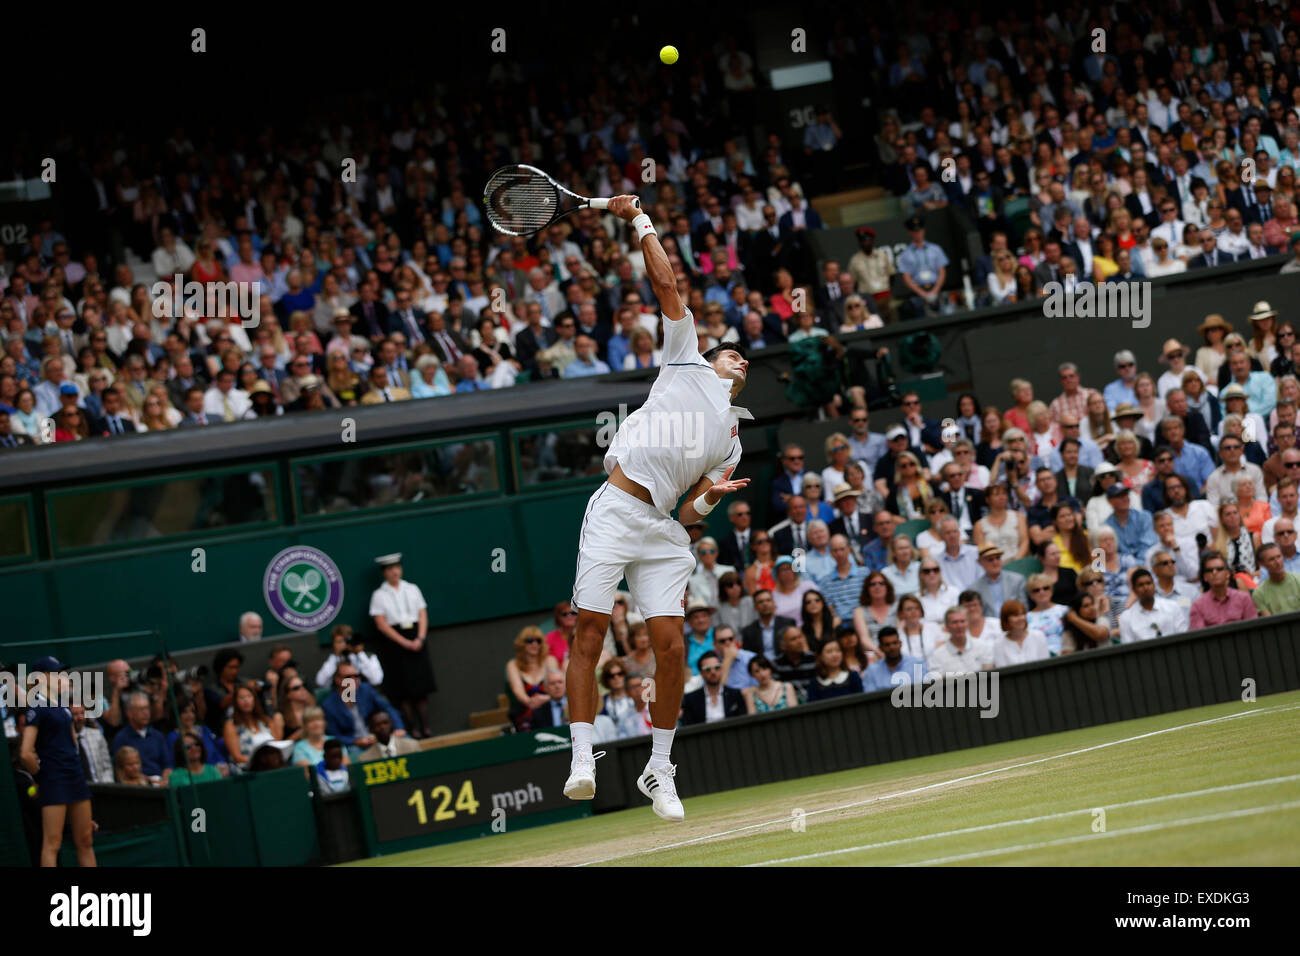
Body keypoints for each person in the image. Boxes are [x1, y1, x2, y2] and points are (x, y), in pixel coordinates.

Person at [564, 195, 753, 822]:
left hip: (665, 530)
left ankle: (660, 767)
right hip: (616, 510)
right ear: (710, 356)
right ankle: (583, 754)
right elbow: (666, 281)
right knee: (589, 631)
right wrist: (638, 219)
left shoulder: (733, 440)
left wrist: (708, 497)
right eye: (732, 353)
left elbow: (694, 518)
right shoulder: (685, 359)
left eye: (744, 359)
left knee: (671, 648)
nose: (740, 359)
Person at [19, 658, 96, 867]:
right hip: (54, 780)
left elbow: (72, 744)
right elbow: (25, 753)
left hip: (75, 777)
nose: (63, 677)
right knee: (52, 843)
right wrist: (42, 776)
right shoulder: (37, 708)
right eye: (57, 673)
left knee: (86, 839)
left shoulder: (63, 706)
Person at [369, 553, 435, 739]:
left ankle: (426, 727)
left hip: (416, 637)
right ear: (384, 572)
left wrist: (420, 638)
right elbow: (381, 623)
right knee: (402, 689)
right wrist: (404, 642)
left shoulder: (412, 589)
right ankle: (411, 728)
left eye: (397, 567)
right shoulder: (379, 595)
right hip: (396, 642)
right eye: (390, 569)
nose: (394, 572)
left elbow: (422, 614)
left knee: (421, 685)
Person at [111, 691, 173, 783]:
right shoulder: (121, 738)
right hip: (137, 786)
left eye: (147, 708)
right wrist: (150, 782)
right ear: (129, 713)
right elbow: (121, 770)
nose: (146, 713)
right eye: (141, 709)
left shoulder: (158, 736)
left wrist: (165, 778)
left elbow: (168, 764)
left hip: (161, 783)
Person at [223, 681, 283, 773]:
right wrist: (259, 762)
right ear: (235, 701)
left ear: (254, 699)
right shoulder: (231, 725)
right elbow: (237, 757)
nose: (246, 701)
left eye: (249, 696)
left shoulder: (265, 720)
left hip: (271, 767)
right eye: (242, 697)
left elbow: (277, 743)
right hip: (248, 770)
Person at [1189, 551, 1259, 629]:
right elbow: (1199, 637)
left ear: (1228, 574)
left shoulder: (1243, 599)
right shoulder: (1198, 606)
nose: (1214, 572)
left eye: (1219, 569)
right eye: (1210, 570)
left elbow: (1254, 630)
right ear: (1205, 576)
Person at [506, 626, 558, 732]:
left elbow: (558, 685)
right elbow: (517, 689)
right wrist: (530, 702)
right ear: (522, 644)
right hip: (525, 712)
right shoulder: (513, 665)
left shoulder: (550, 660)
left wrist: (546, 698)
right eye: (530, 640)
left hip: (550, 709)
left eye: (538, 641)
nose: (534, 644)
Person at [1118, 568, 1184, 643]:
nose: (1146, 588)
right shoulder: (1126, 618)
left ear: (1154, 585)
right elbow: (1128, 647)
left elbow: (1182, 636)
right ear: (1134, 589)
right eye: (1140, 585)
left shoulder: (1172, 607)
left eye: (1148, 583)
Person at [680, 651, 746, 724]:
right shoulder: (690, 699)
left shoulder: (735, 695)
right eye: (708, 669)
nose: (713, 672)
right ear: (701, 673)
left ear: (721, 669)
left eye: (717, 667)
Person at [928, 606, 994, 673]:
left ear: (968, 623)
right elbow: (938, 681)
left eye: (962, 621)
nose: (959, 626)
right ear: (947, 626)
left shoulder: (983, 646)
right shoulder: (937, 655)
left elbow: (990, 677)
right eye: (954, 622)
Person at [971, 543, 1028, 617]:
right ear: (981, 562)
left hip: (1014, 623)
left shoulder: (1017, 580)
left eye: (997, 558)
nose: (995, 562)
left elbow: (1024, 607)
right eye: (990, 560)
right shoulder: (974, 588)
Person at [861, 627, 927, 691]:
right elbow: (870, 698)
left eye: (895, 643)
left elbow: (924, 693)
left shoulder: (918, 665)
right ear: (880, 647)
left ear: (900, 643)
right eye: (887, 645)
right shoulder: (872, 671)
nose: (892, 647)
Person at [994, 600, 1050, 667]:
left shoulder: (1038, 636)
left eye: (1022, 614)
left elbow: (1046, 665)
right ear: (1006, 619)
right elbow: (1001, 672)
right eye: (1016, 615)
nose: (1021, 618)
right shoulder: (999, 643)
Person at [1252, 543, 1300, 616]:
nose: (1277, 562)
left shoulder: (1298, 580)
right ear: (1261, 564)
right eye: (1271, 559)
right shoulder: (1259, 593)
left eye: (1279, 557)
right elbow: (1270, 622)